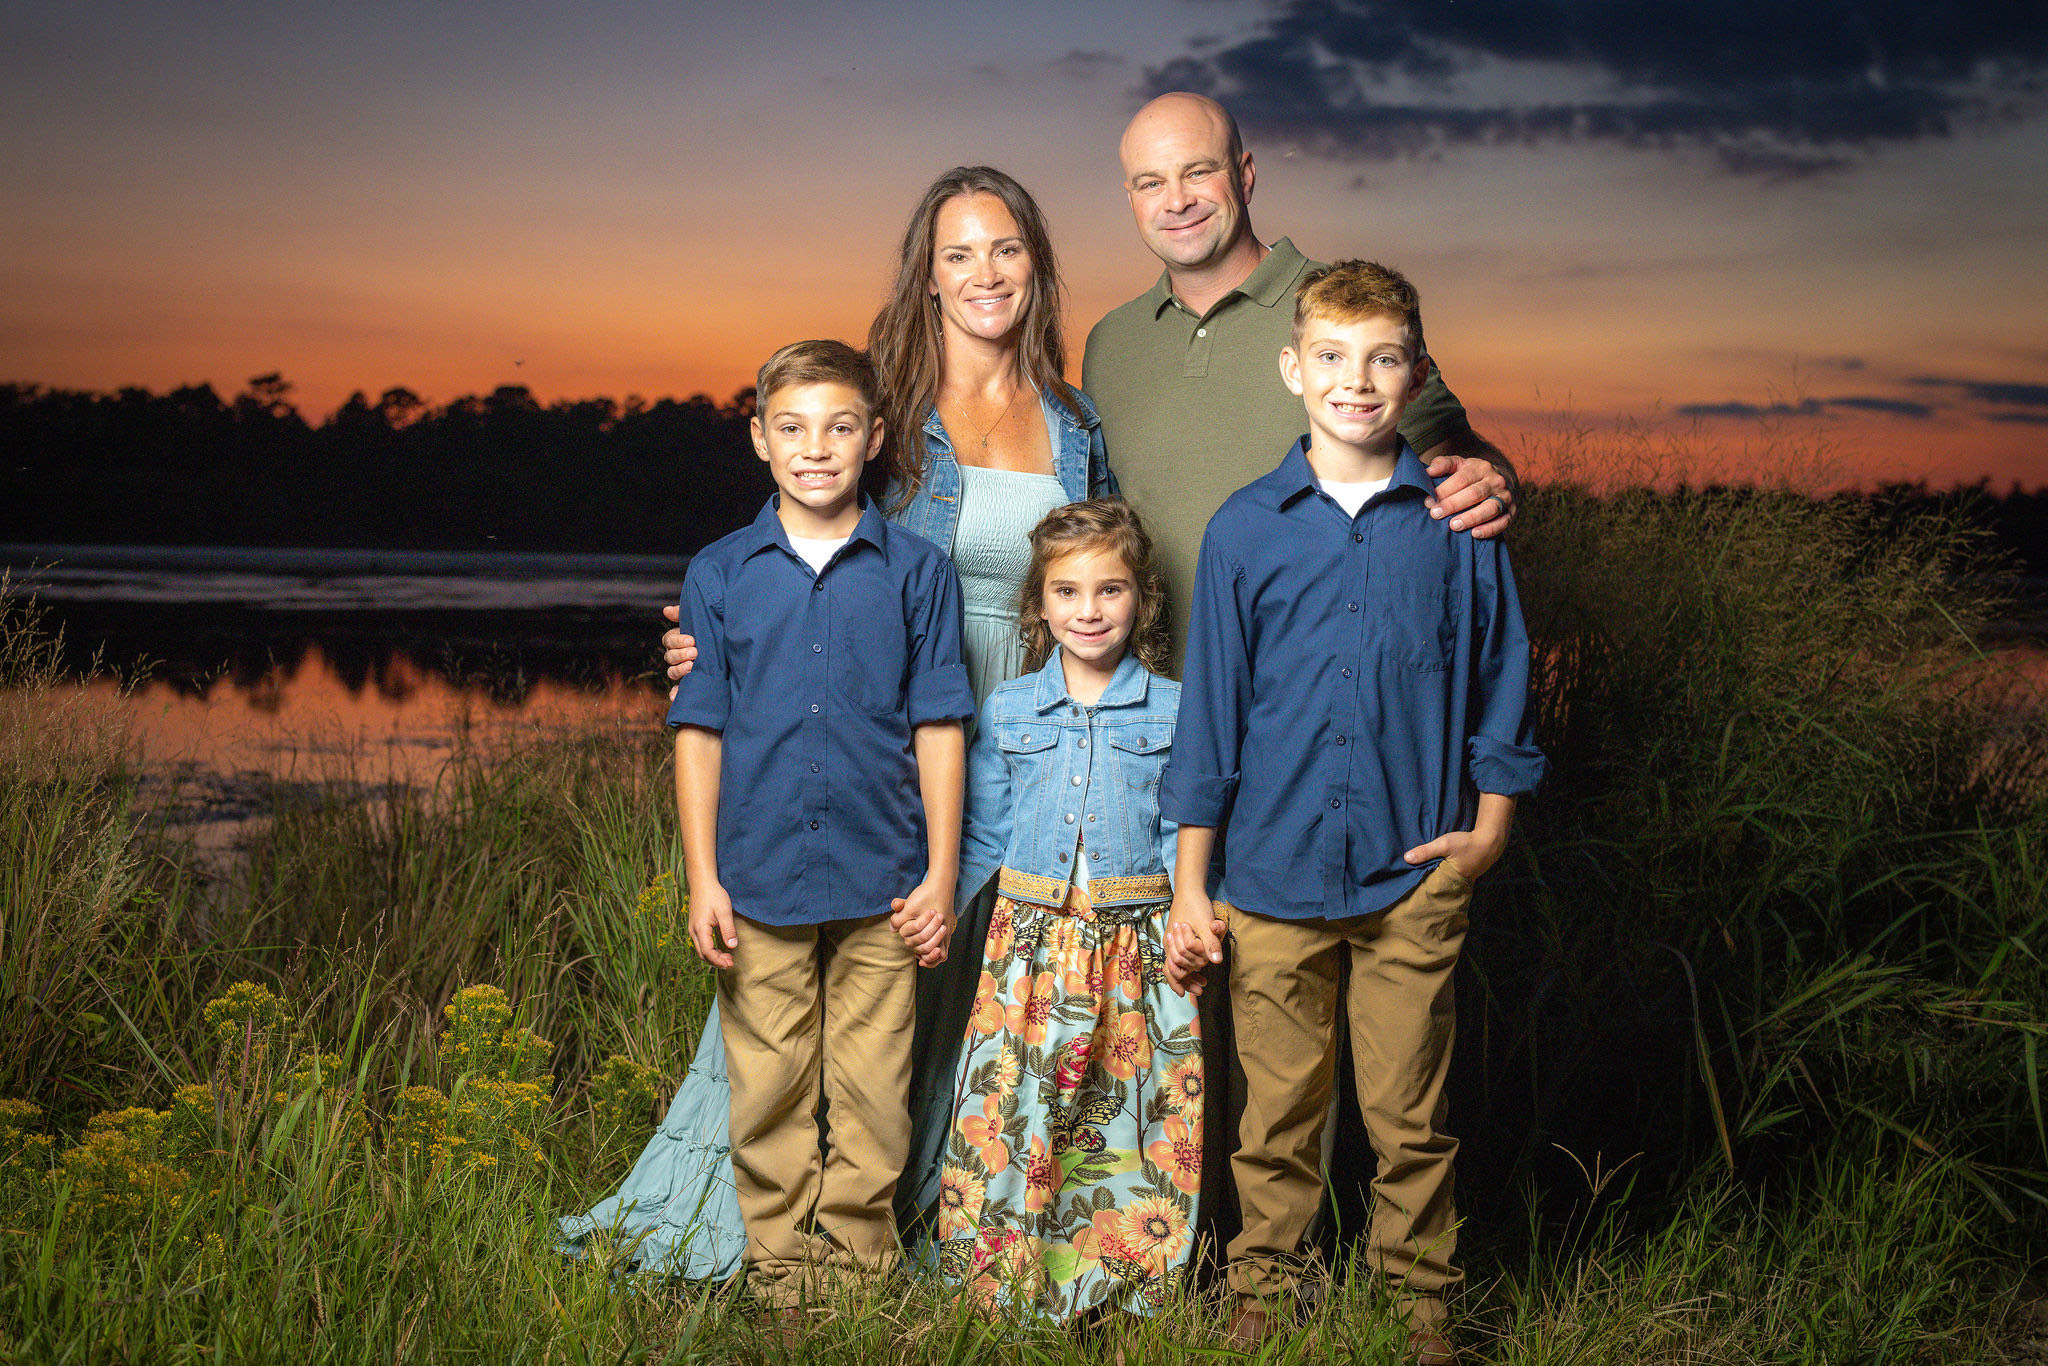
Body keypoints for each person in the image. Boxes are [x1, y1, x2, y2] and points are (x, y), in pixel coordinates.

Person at [566, 167, 1115, 1280]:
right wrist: (705, 644)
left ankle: (942, 1220)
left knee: (978, 994)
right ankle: (767, 1230)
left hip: (1021, 729)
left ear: (1037, 262)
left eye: (1003, 249)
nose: (982, 274)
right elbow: (799, 561)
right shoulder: (887, 419)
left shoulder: (1073, 420)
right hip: (886, 742)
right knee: (831, 992)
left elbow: (1095, 579)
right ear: (923, 276)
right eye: (955, 254)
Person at [1160, 262, 1548, 1363]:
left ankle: (1421, 1303)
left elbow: (1499, 673)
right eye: (1330, 357)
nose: (1356, 381)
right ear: (1293, 370)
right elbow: (1213, 716)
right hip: (1270, 871)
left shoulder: (1457, 524)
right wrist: (1194, 880)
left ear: (1415, 373)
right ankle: (1262, 1288)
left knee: (1407, 1114)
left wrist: (1488, 826)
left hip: (1412, 868)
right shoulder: (1243, 530)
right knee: (1274, 1113)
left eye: (1383, 359)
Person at [664, 338, 976, 1316]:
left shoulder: (917, 573)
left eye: (840, 427)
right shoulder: (719, 574)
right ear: (759, 439)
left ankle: (859, 1264)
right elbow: (699, 734)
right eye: (791, 428)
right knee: (768, 1086)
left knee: (877, 1090)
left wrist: (938, 872)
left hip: (883, 879)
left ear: (874, 438)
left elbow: (938, 726)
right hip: (755, 880)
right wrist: (702, 878)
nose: (816, 448)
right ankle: (782, 1270)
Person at [1083, 92, 1517, 664]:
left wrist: (1490, 481)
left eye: (1198, 172)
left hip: (1308, 705)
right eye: (1150, 182)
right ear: (1131, 198)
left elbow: (1457, 454)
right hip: (1142, 709)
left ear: (1245, 174)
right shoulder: (1109, 342)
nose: (1178, 200)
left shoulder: (1341, 311)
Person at [933, 499, 1200, 1319]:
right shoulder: (1011, 708)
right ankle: (1004, 1281)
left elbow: (1183, 831)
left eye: (1111, 591)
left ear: (1143, 601)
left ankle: (1121, 1284)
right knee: (1017, 1104)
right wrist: (937, 904)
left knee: (1132, 1109)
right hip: (1030, 952)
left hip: (1136, 942)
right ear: (1039, 605)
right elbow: (982, 826)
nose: (1089, 611)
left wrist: (1196, 920)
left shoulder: (1177, 708)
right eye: (1068, 592)